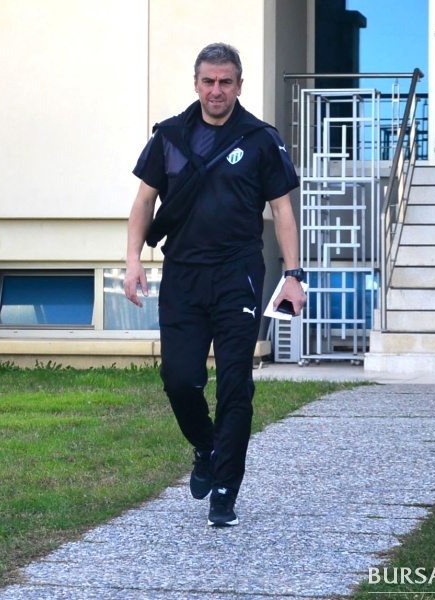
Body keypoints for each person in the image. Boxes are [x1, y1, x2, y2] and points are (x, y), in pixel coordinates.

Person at [124, 42, 306, 526]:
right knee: (179, 380)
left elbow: (282, 211)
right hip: (182, 273)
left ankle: (225, 491)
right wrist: (132, 260)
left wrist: (293, 275)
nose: (216, 90)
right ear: (196, 84)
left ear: (239, 85)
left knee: (235, 385)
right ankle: (206, 446)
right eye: (208, 81)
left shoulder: (261, 139)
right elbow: (143, 202)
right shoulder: (169, 136)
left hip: (237, 274)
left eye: (226, 82)